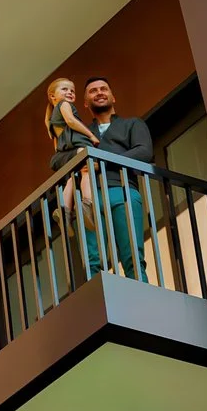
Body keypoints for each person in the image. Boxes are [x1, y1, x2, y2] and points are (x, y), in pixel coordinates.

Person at [51, 74, 153, 275]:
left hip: (122, 190)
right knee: (93, 259)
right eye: (93, 91)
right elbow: (55, 161)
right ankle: (100, 303)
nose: (99, 93)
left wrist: (98, 161)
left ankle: (141, 299)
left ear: (113, 97)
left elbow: (144, 151)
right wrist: (81, 154)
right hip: (89, 197)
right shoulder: (80, 130)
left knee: (132, 253)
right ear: (85, 103)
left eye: (103, 89)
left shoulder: (132, 124)